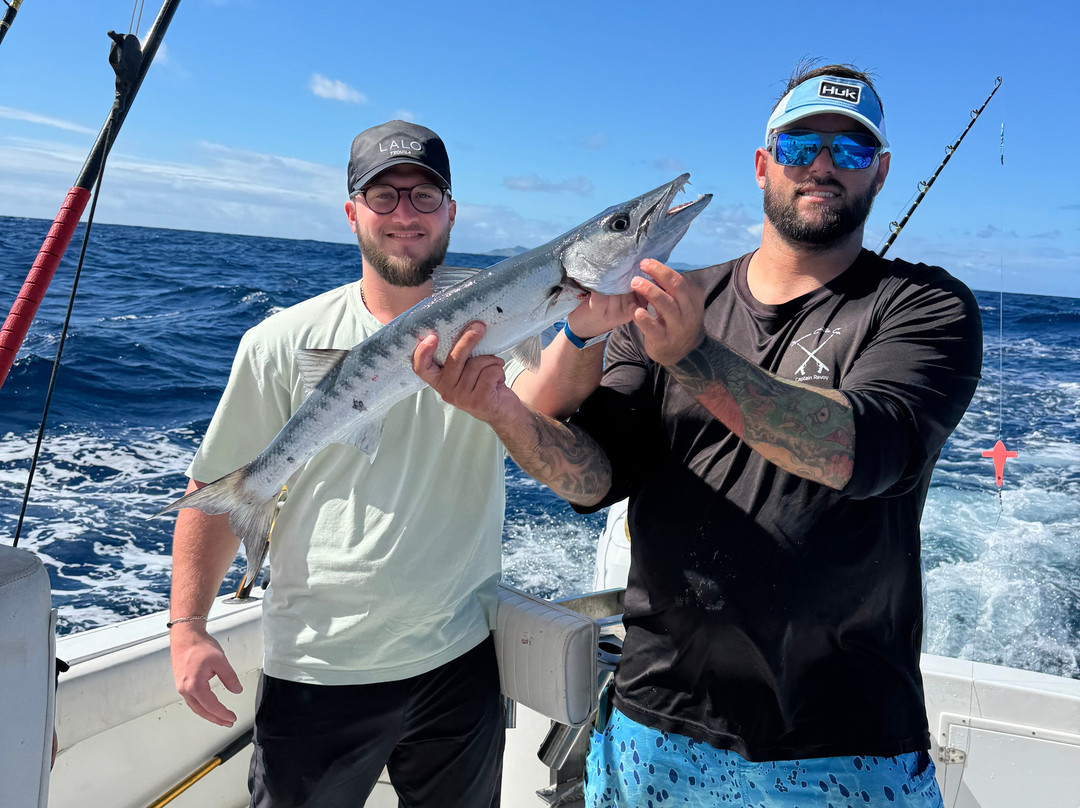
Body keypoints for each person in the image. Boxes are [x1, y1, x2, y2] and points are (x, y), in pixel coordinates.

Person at [418, 64, 983, 806]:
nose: (821, 165)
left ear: (879, 173)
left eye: (848, 152)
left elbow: (860, 452)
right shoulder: (667, 306)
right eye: (800, 145)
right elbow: (595, 478)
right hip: (650, 726)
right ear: (762, 163)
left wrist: (693, 356)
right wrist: (504, 412)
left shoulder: (925, 307)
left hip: (843, 749)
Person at [167, 119, 625, 808]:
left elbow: (546, 410)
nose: (404, 214)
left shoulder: (510, 336)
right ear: (352, 211)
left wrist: (584, 329)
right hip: (318, 667)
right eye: (384, 197)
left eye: (424, 194)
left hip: (460, 662)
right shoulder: (279, 342)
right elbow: (215, 487)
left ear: (451, 211)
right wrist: (187, 629)